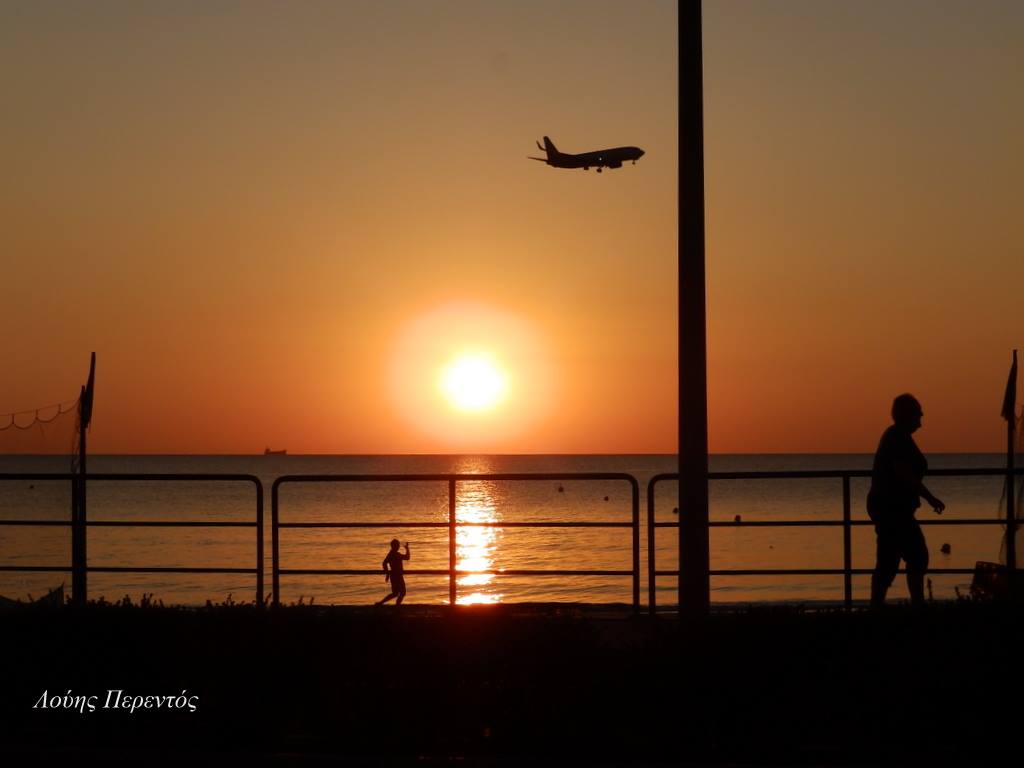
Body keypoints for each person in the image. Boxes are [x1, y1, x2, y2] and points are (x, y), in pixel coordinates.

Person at [867, 394, 945, 607]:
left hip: (893, 507)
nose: (921, 418)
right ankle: (911, 605)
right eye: (918, 413)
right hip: (892, 508)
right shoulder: (896, 438)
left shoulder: (898, 436)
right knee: (911, 555)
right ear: (907, 415)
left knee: (894, 557)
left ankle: (880, 606)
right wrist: (929, 497)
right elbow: (904, 474)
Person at [376, 538, 410, 605]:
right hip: (397, 576)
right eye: (397, 545)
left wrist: (387, 573)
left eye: (398, 545)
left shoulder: (393, 554)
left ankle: (382, 603)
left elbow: (384, 563)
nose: (398, 546)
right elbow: (407, 557)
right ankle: (395, 605)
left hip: (395, 575)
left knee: (396, 593)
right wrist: (387, 573)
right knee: (401, 593)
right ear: (394, 546)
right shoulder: (394, 554)